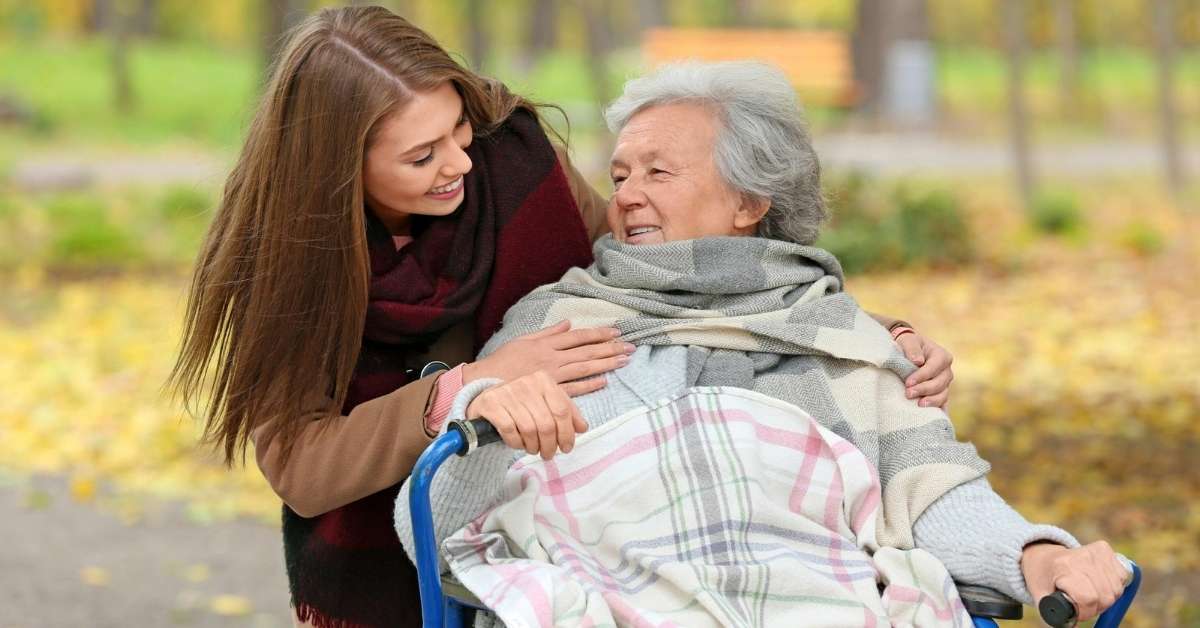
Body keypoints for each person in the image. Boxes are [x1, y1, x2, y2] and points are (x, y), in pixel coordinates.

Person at [168, 7, 956, 627]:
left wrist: (856, 335)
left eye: (457, 130)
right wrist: (463, 390)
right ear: (340, 170)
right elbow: (303, 470)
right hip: (393, 537)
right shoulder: (288, 263)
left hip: (554, 509)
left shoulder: (511, 158)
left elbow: (662, 268)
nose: (460, 165)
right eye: (421, 158)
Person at [396, 61, 1130, 625]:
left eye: (658, 171)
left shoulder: (841, 335)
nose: (623, 195)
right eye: (618, 175)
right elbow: (441, 520)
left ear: (749, 202)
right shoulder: (556, 324)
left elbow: (930, 484)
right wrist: (489, 413)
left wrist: (1033, 553)